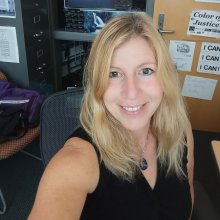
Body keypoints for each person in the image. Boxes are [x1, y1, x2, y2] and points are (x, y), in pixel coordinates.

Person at [28, 13, 194, 220]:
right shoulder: (76, 161)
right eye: (113, 74)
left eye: (146, 71)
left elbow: (187, 190)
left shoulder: (179, 128)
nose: (131, 92)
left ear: (165, 76)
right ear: (98, 83)